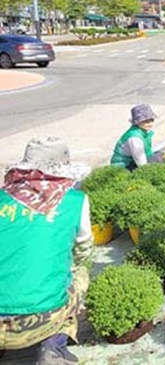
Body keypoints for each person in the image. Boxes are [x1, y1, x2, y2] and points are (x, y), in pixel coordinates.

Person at [0, 137, 93, 365]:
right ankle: (54, 345)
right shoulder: (75, 201)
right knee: (80, 274)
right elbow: (84, 248)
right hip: (40, 320)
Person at [110, 104, 165, 171]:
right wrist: (149, 172)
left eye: (151, 120)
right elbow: (141, 163)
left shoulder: (142, 131)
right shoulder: (135, 138)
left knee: (159, 155)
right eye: (145, 121)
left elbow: (149, 150)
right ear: (137, 122)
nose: (150, 123)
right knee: (158, 158)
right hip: (124, 167)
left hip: (132, 161)